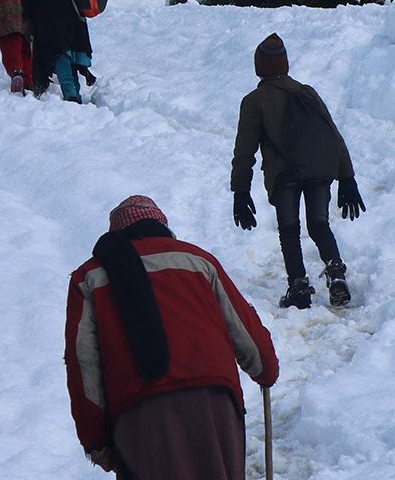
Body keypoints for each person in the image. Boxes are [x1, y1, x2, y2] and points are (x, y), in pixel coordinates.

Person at [65, 195, 278, 480]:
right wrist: (264, 369)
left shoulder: (88, 277)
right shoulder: (198, 261)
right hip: (214, 401)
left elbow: (83, 361)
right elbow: (243, 326)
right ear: (162, 226)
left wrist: (95, 437)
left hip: (140, 410)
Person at [231, 34, 365, 309]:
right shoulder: (307, 92)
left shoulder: (254, 100)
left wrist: (240, 191)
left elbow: (245, 152)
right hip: (319, 170)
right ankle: (336, 275)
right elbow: (334, 136)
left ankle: (299, 287)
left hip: (285, 176)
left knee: (289, 230)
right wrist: (347, 177)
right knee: (319, 225)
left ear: (259, 67)